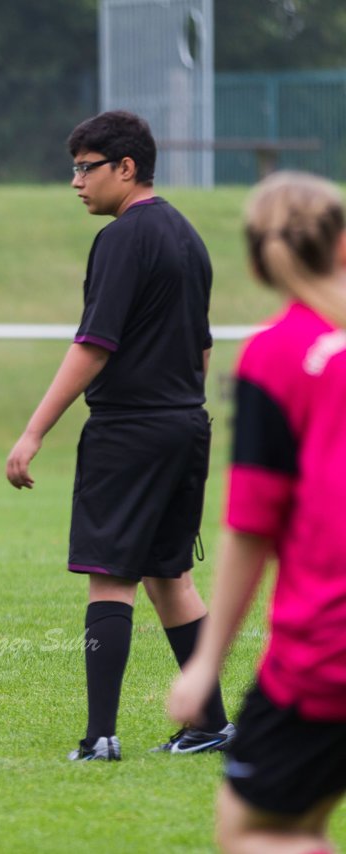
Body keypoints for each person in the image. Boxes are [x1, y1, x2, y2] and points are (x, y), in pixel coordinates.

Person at [5, 110, 231, 760]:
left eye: (86, 167)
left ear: (125, 168)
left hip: (130, 430)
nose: (75, 181)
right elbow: (203, 349)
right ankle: (209, 723)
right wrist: (179, 408)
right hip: (187, 424)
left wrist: (32, 432)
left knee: (110, 576)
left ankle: (100, 736)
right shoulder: (188, 237)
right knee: (171, 576)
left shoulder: (123, 238)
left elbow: (94, 347)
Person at [169, 171, 346, 854]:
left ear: (254, 259)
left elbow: (251, 528)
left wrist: (204, 665)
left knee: (250, 831)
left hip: (325, 654)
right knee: (300, 824)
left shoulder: (277, 356)